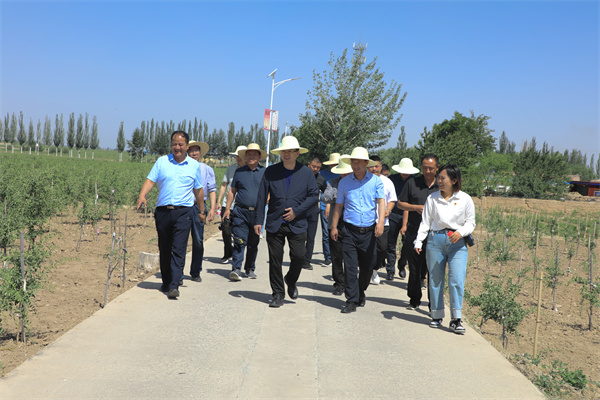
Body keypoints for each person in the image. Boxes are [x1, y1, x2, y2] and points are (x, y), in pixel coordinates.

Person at [136, 131, 204, 299]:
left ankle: (174, 285)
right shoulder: (162, 162)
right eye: (174, 144)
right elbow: (150, 180)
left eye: (181, 144)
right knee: (164, 248)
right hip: (163, 211)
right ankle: (166, 281)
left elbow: (198, 189)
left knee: (179, 249)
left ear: (187, 146)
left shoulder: (194, 166)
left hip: (184, 211)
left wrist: (202, 210)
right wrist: (142, 195)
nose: (177, 147)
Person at [254, 136, 318, 308]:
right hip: (275, 222)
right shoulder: (271, 172)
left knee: (299, 256)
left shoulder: (306, 173)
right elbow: (261, 197)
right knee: (275, 260)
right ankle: (277, 294)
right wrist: (258, 219)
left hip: (297, 224)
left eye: (290, 151)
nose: (287, 154)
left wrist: (297, 211)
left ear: (297, 153)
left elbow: (314, 196)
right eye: (284, 151)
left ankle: (291, 279)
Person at [414, 164, 475, 333]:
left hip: (457, 243)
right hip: (435, 242)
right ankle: (437, 315)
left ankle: (456, 319)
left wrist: (460, 232)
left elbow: (471, 222)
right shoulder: (432, 198)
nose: (439, 181)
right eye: (438, 178)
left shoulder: (465, 199)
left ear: (454, 180)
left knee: (456, 280)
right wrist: (418, 241)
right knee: (435, 280)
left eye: (443, 178)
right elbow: (425, 222)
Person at [330, 147, 385, 314]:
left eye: (359, 162)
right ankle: (351, 300)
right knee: (351, 267)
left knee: (368, 267)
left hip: (369, 231)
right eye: (353, 162)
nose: (355, 165)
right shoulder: (344, 183)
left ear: (366, 163)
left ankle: (361, 291)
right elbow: (338, 206)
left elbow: (381, 202)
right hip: (349, 231)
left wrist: (380, 222)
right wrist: (333, 226)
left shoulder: (375, 181)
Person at [398, 154, 439, 310]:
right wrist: (416, 208)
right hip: (414, 231)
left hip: (436, 233)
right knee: (414, 266)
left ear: (437, 168)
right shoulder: (412, 183)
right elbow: (400, 204)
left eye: (430, 168)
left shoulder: (441, 185)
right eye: (424, 168)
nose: (427, 171)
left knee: (433, 269)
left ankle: (433, 303)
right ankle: (414, 298)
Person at [224, 143, 267, 281]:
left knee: (253, 243)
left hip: (257, 213)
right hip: (240, 211)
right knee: (239, 240)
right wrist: (227, 209)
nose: (251, 156)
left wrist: (268, 199)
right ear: (245, 156)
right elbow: (232, 191)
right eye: (249, 154)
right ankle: (236, 268)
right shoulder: (239, 172)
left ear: (259, 156)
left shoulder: (265, 172)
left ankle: (249, 269)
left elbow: (271, 190)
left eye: (254, 154)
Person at [186, 140, 217, 283]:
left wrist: (212, 208)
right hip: (184, 206)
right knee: (180, 241)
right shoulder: (182, 167)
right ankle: (178, 273)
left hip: (199, 207)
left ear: (200, 153)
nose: (193, 153)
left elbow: (212, 189)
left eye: (196, 150)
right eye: (191, 150)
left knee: (198, 240)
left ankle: (195, 271)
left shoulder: (206, 169)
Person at [321, 155, 351, 296]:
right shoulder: (333, 182)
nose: (344, 174)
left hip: (352, 224)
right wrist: (336, 197)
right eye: (342, 171)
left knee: (350, 256)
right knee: (337, 256)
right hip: (335, 223)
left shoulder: (356, 183)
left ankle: (350, 282)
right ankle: (339, 283)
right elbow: (324, 197)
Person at [387, 158, 419, 280]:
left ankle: (402, 264)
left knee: (407, 243)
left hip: (409, 215)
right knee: (391, 242)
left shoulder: (414, 181)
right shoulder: (392, 179)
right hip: (394, 213)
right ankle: (390, 269)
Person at [368, 155, 397, 284]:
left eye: (377, 166)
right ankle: (367, 269)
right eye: (372, 166)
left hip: (383, 221)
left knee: (382, 248)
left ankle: (374, 268)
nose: (375, 169)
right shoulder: (363, 180)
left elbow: (392, 200)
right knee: (366, 248)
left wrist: (388, 210)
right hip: (366, 221)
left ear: (381, 167)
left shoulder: (387, 182)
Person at [216, 146, 247, 263]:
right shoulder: (230, 168)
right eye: (236, 156)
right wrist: (219, 201)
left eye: (240, 156)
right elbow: (224, 185)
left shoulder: (249, 170)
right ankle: (227, 253)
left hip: (240, 206)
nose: (237, 158)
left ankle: (237, 256)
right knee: (226, 230)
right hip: (227, 205)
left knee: (238, 233)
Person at [303, 156, 326, 270]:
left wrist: (328, 206)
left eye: (318, 167)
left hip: (313, 211)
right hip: (301, 210)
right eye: (313, 166)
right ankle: (298, 258)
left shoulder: (321, 179)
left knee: (311, 238)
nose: (315, 169)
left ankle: (307, 261)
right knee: (300, 236)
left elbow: (327, 194)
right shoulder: (301, 175)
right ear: (309, 164)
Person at [319, 153, 340, 269]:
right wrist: (327, 205)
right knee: (326, 233)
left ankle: (336, 256)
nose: (334, 165)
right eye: (333, 163)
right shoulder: (323, 174)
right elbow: (324, 192)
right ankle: (328, 257)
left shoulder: (344, 175)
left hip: (338, 208)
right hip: (324, 207)